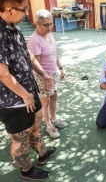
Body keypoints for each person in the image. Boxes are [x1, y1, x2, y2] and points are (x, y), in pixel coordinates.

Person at [0, 0, 56, 180]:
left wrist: (43, 73)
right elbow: (3, 74)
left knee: (37, 121)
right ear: (9, 9)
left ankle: (42, 152)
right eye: (24, 9)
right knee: (19, 138)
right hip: (14, 100)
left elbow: (28, 55)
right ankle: (26, 170)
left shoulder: (13, 27)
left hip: (29, 92)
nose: (26, 13)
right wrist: (25, 95)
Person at [28, 9, 68, 139]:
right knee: (45, 101)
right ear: (37, 24)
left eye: (51, 23)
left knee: (54, 95)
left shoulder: (50, 35)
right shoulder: (35, 40)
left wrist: (61, 67)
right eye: (46, 25)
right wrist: (44, 78)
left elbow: (54, 54)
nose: (50, 27)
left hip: (53, 73)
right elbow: (36, 64)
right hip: (42, 76)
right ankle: (48, 124)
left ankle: (54, 118)